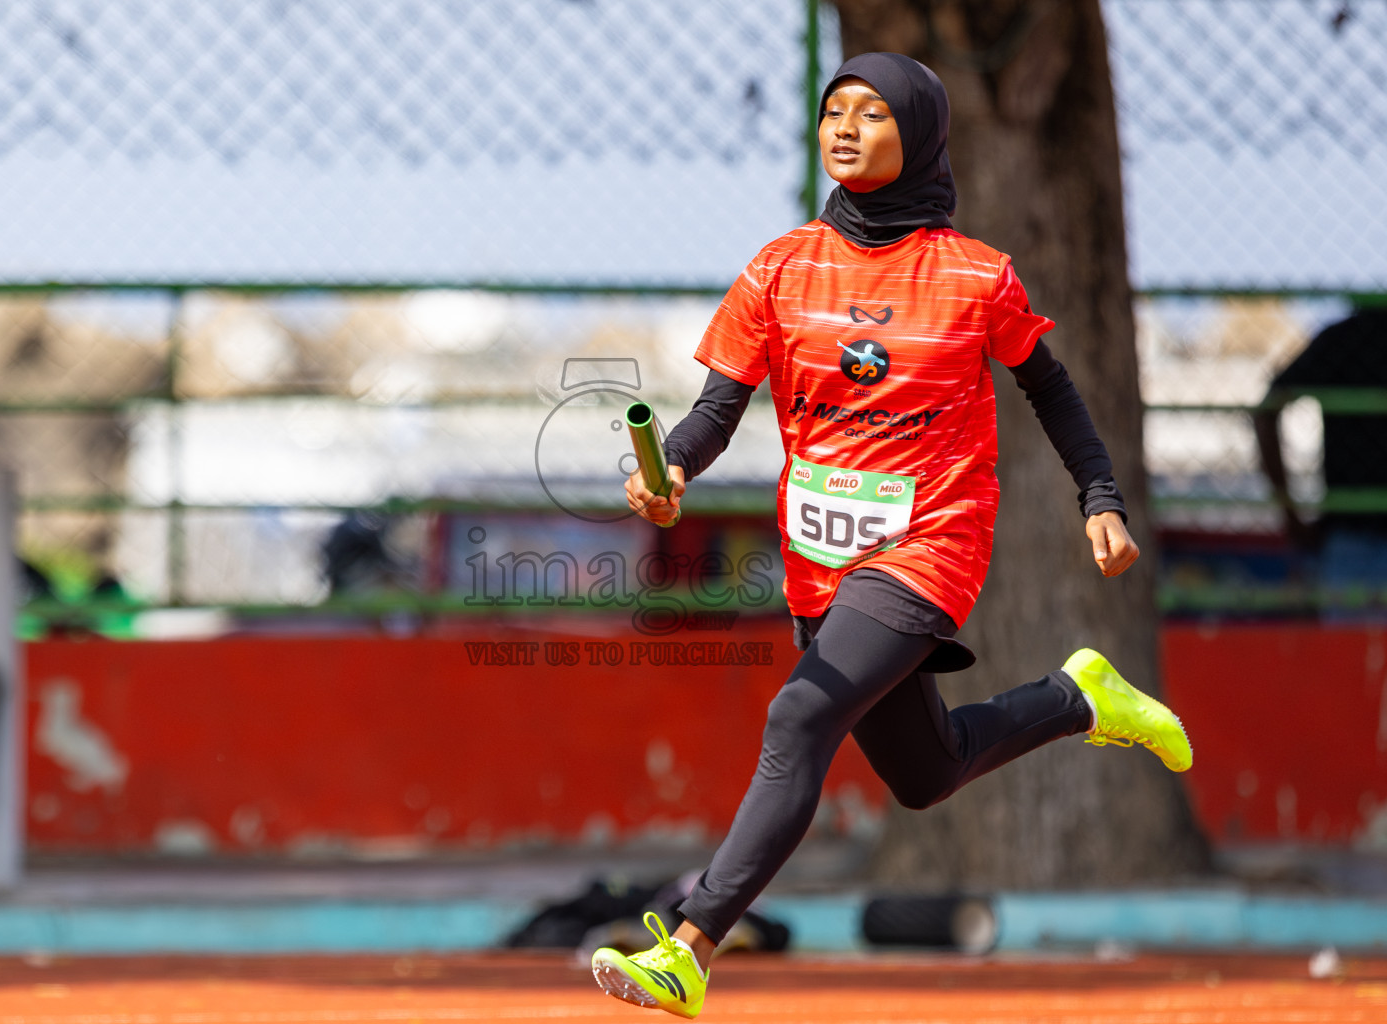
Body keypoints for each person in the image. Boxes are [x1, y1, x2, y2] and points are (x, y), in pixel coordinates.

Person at [588, 53, 1192, 1019]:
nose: (846, 125)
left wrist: (1101, 497)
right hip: (819, 560)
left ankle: (692, 944)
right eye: (835, 110)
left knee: (796, 721)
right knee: (927, 772)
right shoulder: (780, 268)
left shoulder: (975, 276)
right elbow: (714, 409)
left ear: (918, 133)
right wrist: (672, 474)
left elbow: (1053, 389)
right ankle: (1081, 698)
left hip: (931, 540)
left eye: (873, 113)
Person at [1254, 309, 1387, 614]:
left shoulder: (1344, 336)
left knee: (1345, 654)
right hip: (1348, 539)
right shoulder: (1345, 337)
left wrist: (1291, 515)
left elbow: (1267, 411)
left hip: (1347, 540)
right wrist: (1291, 514)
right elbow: (1267, 411)